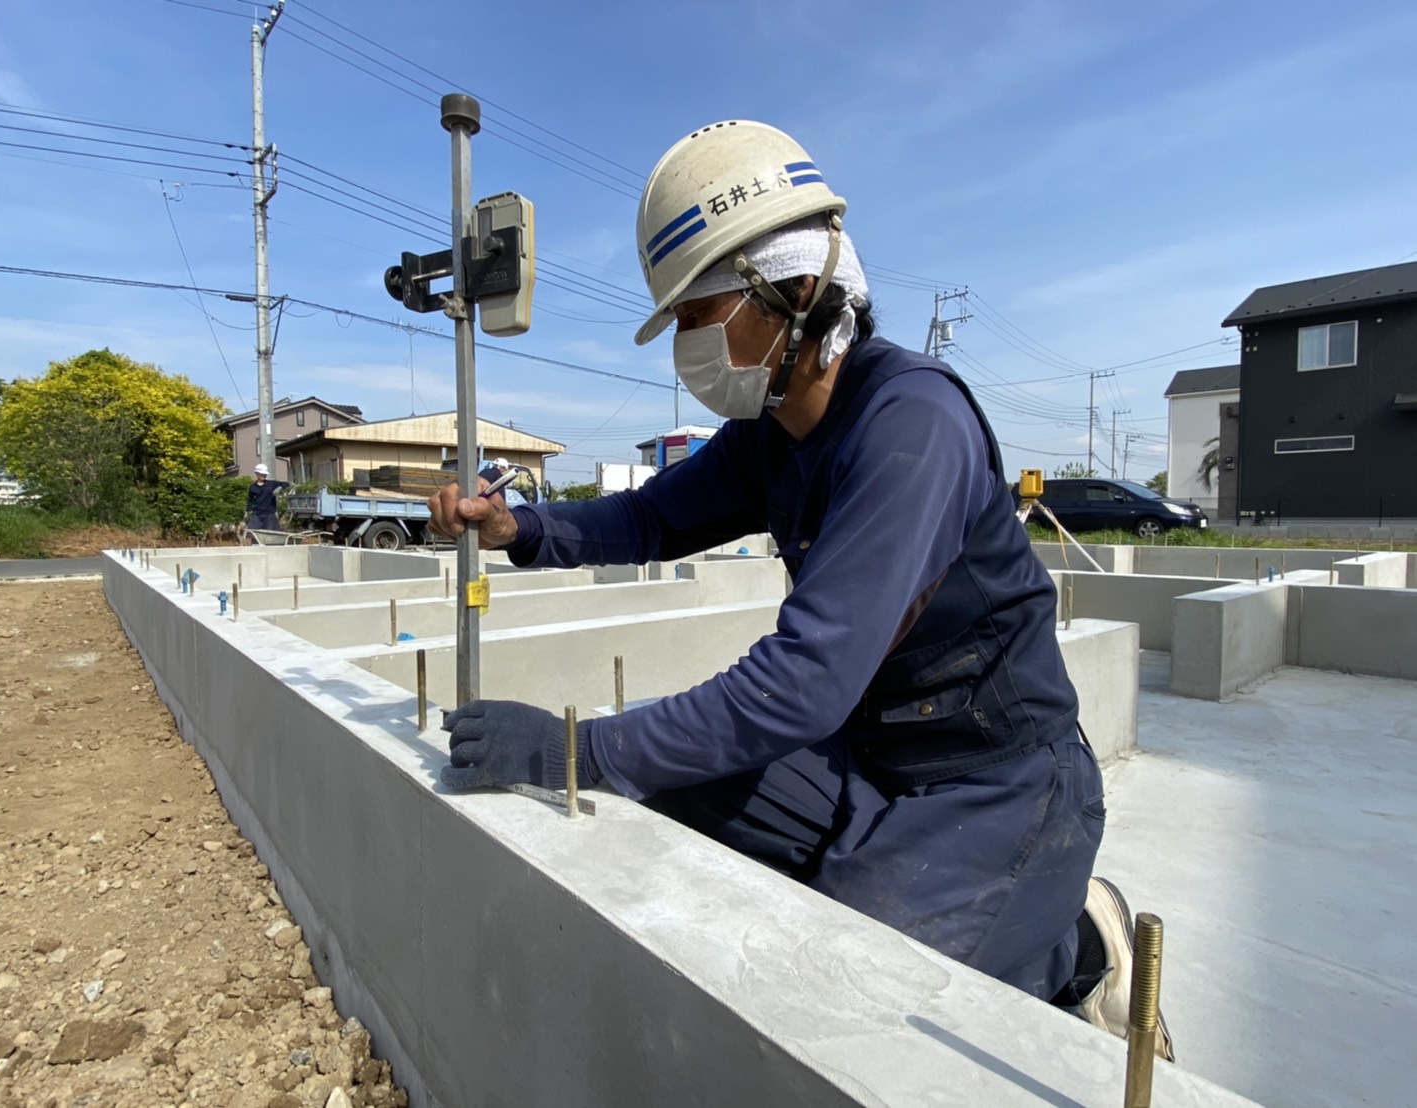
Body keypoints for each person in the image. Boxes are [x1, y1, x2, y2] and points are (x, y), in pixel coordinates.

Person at [429, 120, 1171, 1057]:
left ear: (797, 292)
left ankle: (1069, 948)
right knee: (663, 796)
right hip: (865, 752)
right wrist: (519, 528)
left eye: (701, 315)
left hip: (995, 780)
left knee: (850, 1004)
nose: (688, 348)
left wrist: (574, 751)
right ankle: (1020, 918)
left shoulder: (912, 425)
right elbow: (653, 518)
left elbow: (802, 682)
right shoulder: (773, 428)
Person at [245, 463, 290, 531]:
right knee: (254, 534)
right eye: (262, 474)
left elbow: (287, 484)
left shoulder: (271, 484)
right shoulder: (252, 487)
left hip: (270, 514)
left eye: (265, 474)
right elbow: (250, 500)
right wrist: (247, 511)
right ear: (257, 473)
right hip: (257, 514)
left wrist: (279, 488)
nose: (264, 475)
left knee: (272, 534)